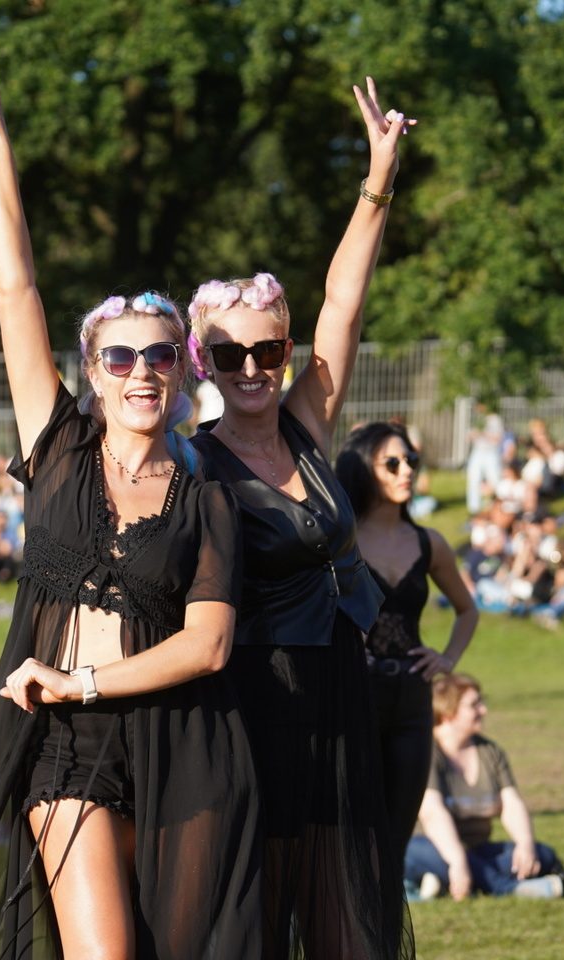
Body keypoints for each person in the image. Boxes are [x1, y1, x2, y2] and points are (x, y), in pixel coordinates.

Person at [0, 45, 260, 960]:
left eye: (159, 356)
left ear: (182, 373)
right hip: (66, 748)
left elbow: (209, 645)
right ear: (94, 373)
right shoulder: (58, 449)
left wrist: (85, 678)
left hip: (187, 751)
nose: (141, 371)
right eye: (119, 356)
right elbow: (14, 286)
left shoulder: (207, 499)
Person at [186, 74, 414, 960]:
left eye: (268, 348)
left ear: (286, 351)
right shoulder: (189, 465)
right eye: (230, 353)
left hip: (338, 695)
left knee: (343, 920)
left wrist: (378, 179)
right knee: (255, 918)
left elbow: (344, 301)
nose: (251, 367)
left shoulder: (308, 425)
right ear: (202, 360)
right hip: (246, 708)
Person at [336, 421, 478, 886]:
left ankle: (382, 929)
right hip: (354, 698)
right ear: (364, 468)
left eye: (412, 461)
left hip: (413, 701)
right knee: (352, 841)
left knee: (393, 845)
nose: (407, 471)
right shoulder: (341, 538)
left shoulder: (428, 542)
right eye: (393, 463)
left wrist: (447, 659)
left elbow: (467, 610)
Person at [406, 674, 564, 900]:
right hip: (430, 847)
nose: (483, 710)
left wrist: (525, 845)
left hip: (476, 850)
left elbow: (512, 804)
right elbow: (433, 814)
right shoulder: (426, 752)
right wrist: (457, 862)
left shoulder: (490, 752)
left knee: (544, 855)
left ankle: (443, 881)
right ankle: (508, 888)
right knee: (421, 854)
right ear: (447, 711)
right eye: (474, 705)